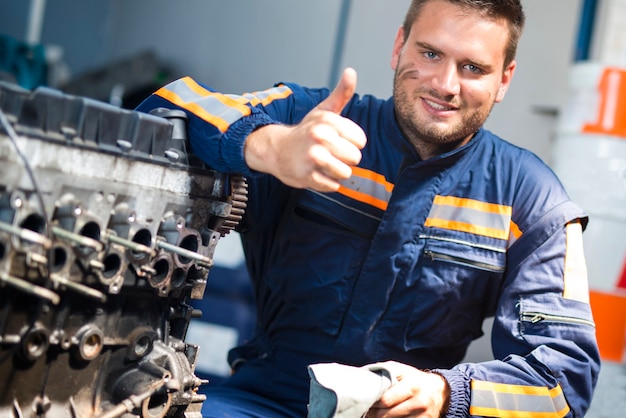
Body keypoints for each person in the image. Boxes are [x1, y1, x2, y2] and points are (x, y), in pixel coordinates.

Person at [137, 0, 600, 416]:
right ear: (399, 46)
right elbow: (167, 105)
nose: (445, 84)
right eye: (431, 53)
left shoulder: (532, 201)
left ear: (504, 79)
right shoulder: (316, 122)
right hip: (262, 402)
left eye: (473, 67)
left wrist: (446, 394)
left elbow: (563, 383)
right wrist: (270, 147)